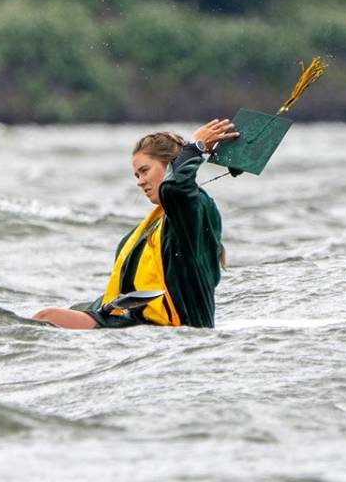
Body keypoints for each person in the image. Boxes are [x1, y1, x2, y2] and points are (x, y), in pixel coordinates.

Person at [31, 118, 239, 329]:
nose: (139, 181)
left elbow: (175, 189)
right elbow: (124, 294)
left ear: (170, 167)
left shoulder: (195, 209)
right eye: (137, 175)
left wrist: (195, 147)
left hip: (180, 332)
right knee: (48, 317)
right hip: (139, 327)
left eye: (145, 170)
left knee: (46, 316)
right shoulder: (141, 233)